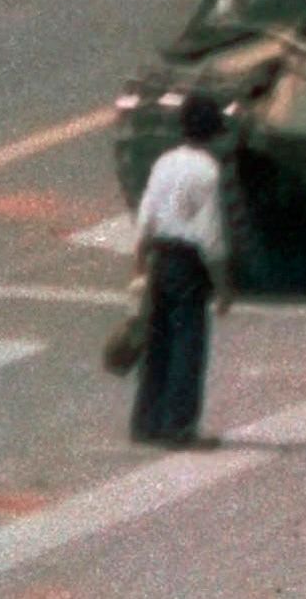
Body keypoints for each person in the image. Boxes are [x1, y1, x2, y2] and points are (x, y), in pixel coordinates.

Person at [128, 93, 235, 448]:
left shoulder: (165, 162)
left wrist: (141, 263)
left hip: (160, 257)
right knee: (188, 343)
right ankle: (179, 426)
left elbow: (146, 214)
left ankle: (146, 421)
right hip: (189, 264)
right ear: (214, 132)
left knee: (157, 342)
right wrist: (222, 287)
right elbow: (211, 235)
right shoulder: (207, 170)